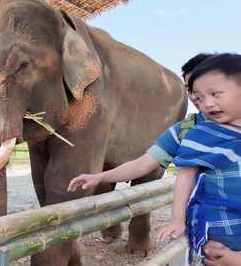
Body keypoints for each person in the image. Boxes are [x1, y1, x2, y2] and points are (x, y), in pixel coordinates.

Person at [67, 53, 213, 192]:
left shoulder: (236, 128)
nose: (195, 95)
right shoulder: (185, 129)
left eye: (204, 87)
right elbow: (143, 164)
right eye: (189, 88)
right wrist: (99, 177)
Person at [157, 53, 241, 266]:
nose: (207, 104)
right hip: (222, 236)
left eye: (215, 94)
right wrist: (176, 218)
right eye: (199, 97)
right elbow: (184, 175)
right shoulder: (203, 134)